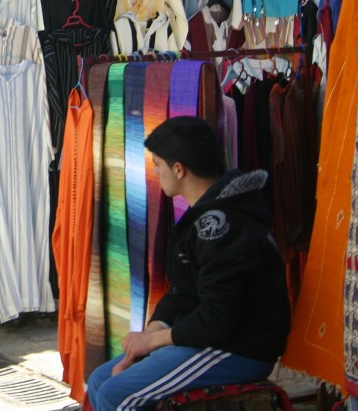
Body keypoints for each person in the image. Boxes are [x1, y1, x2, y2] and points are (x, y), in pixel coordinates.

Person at [86, 116, 291, 411]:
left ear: (179, 169)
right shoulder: (205, 215)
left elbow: (218, 319)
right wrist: (149, 333)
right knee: (99, 380)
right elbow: (184, 292)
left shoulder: (221, 225)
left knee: (115, 394)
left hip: (238, 348)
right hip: (212, 338)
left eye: (157, 165)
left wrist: (154, 342)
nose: (156, 173)